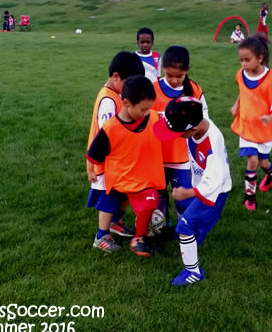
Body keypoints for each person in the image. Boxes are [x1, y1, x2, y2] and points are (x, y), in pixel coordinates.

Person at [153, 97, 231, 285]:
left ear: (193, 129)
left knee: (185, 225)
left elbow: (215, 181)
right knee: (191, 227)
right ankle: (190, 241)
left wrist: (187, 193)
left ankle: (193, 272)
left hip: (214, 193)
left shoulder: (211, 145)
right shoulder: (197, 122)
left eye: (178, 132)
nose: (175, 136)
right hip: (202, 187)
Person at [86, 76, 165, 257]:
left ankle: (139, 238)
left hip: (140, 175)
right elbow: (93, 152)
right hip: (117, 176)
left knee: (149, 200)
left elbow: (165, 129)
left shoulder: (151, 117)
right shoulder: (111, 128)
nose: (147, 113)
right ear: (126, 103)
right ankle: (101, 236)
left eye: (149, 109)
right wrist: (91, 170)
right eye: (143, 109)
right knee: (109, 203)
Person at [86, 51, 146, 253]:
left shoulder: (118, 95)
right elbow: (107, 134)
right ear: (116, 77)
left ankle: (115, 222)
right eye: (130, 83)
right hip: (106, 161)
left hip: (120, 161)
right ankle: (101, 235)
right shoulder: (108, 100)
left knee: (125, 192)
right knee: (108, 197)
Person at [150, 46, 209, 232]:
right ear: (162, 69)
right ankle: (159, 230)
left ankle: (184, 228)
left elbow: (204, 120)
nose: (174, 80)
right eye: (169, 75)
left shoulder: (194, 91)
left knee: (183, 196)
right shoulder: (153, 90)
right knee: (158, 196)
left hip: (181, 158)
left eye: (180, 76)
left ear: (187, 70)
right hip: (156, 156)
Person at [231, 36, 272, 211]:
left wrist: (270, 118)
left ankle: (271, 173)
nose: (243, 64)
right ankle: (250, 196)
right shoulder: (241, 74)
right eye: (241, 60)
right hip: (247, 125)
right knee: (252, 160)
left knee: (263, 163)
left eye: (247, 60)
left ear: (260, 58)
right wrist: (237, 104)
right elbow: (244, 91)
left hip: (264, 127)